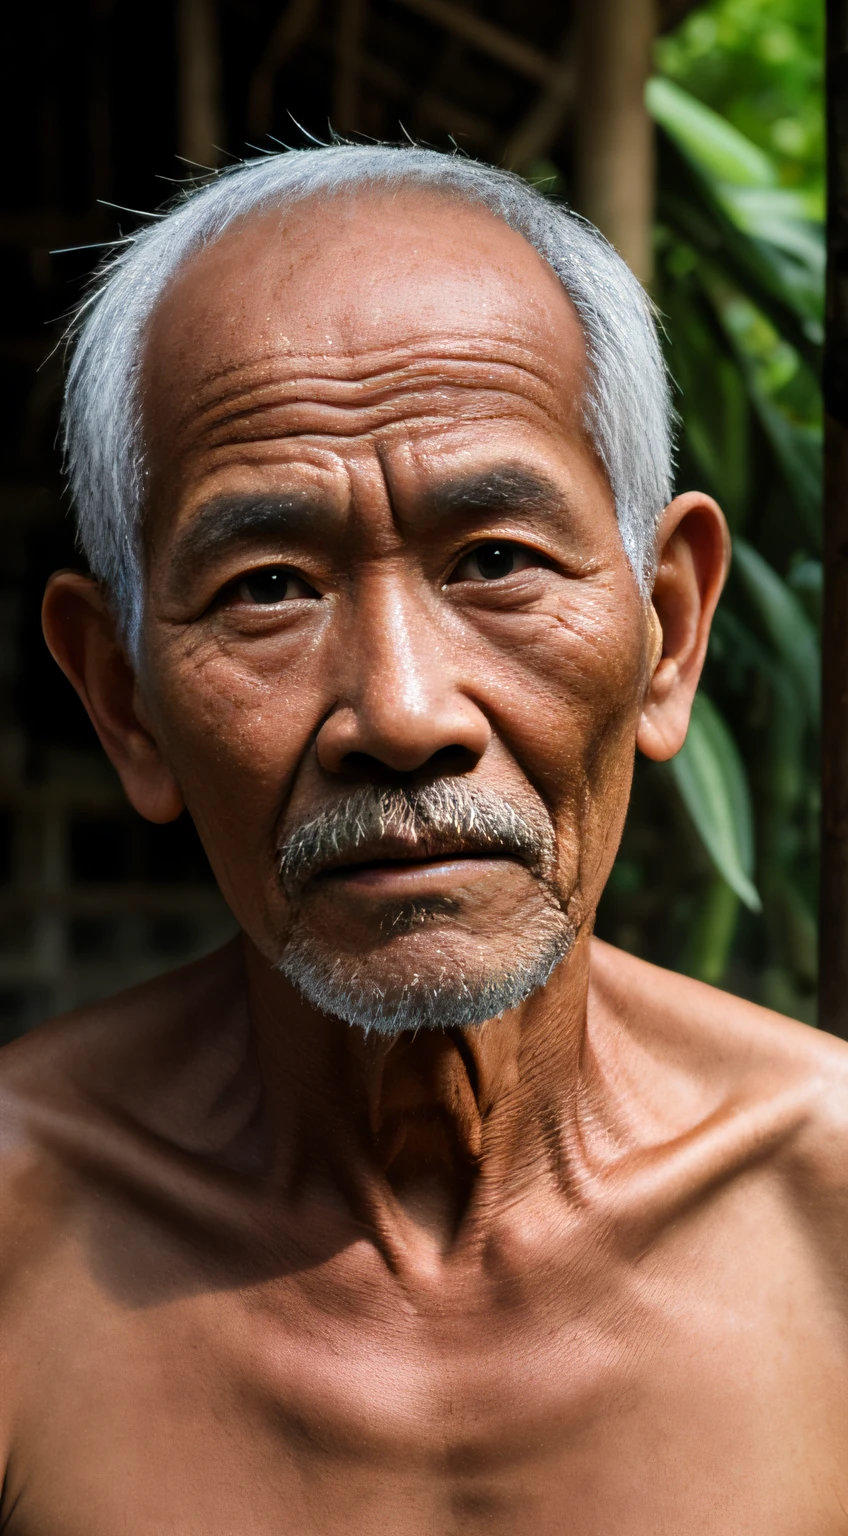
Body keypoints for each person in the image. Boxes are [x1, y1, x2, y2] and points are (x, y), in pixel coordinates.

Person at [1, 145, 845, 1534]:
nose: (400, 713)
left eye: (497, 559)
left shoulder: (831, 1213)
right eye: (267, 587)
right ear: (123, 701)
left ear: (668, 637)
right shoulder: (20, 1243)